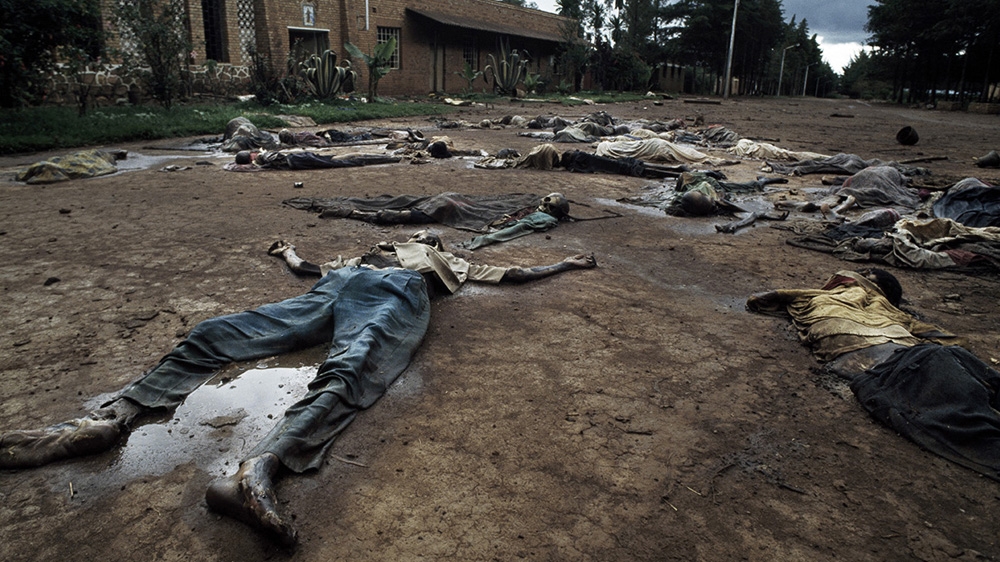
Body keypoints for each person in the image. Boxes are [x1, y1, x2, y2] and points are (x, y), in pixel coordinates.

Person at [0, 231, 597, 546]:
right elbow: (309, 270)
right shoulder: (366, 253)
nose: (425, 235)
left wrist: (564, 264)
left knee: (353, 366)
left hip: (394, 296)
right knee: (220, 331)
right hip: (340, 286)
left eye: (433, 237)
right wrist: (289, 251)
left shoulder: (447, 264)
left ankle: (256, 471)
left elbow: (512, 272)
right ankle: (111, 416)